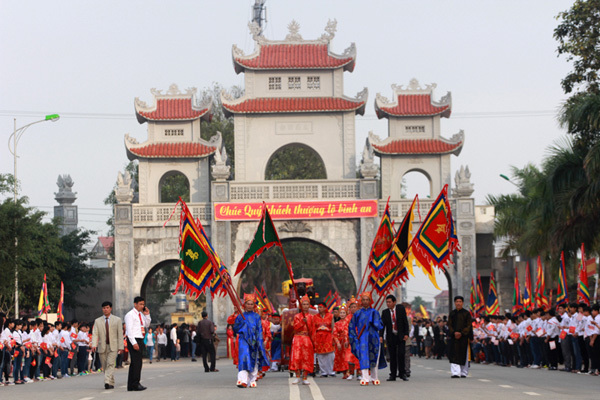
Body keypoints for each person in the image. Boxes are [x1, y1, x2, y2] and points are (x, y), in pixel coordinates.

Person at [349, 292, 386, 386]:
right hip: (362, 339)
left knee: (374, 358)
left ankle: (374, 377)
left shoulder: (375, 312)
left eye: (367, 300)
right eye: (363, 300)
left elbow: (380, 326)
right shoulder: (357, 313)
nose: (365, 301)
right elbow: (351, 326)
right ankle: (365, 378)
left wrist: (373, 321)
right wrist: (354, 337)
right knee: (363, 357)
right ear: (361, 301)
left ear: (370, 301)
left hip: (373, 338)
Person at [233, 294, 269, 388]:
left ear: (254, 305)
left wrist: (259, 341)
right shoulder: (240, 316)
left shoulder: (257, 317)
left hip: (254, 340)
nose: (249, 306)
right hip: (243, 340)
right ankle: (242, 380)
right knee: (244, 358)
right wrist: (242, 324)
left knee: (253, 358)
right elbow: (235, 329)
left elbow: (259, 330)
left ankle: (252, 379)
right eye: (248, 304)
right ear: (244, 305)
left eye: (251, 304)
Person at [91, 301, 124, 389]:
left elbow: (120, 334)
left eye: (107, 308)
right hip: (102, 346)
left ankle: (106, 381)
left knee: (110, 364)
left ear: (110, 308)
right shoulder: (97, 321)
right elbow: (95, 333)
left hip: (113, 346)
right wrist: (94, 344)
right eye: (104, 308)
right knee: (105, 366)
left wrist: (121, 347)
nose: (105, 310)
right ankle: (111, 382)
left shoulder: (117, 320)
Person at [124, 296, 151, 391]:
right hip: (133, 339)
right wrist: (134, 343)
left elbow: (147, 325)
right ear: (135, 304)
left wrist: (147, 315)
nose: (142, 306)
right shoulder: (130, 315)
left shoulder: (141, 315)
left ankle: (131, 384)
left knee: (136, 363)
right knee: (137, 363)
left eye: (143, 304)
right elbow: (129, 330)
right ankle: (135, 383)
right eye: (140, 304)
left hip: (140, 339)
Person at [380, 294, 409, 381]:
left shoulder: (400, 309)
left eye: (389, 302)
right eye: (387, 302)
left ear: (394, 302)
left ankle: (402, 373)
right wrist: (380, 336)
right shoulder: (385, 312)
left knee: (401, 354)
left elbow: (405, 322)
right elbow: (382, 326)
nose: (388, 304)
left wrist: (406, 334)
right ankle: (392, 375)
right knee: (392, 356)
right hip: (390, 336)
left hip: (400, 336)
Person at [290, 295, 315, 385]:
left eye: (306, 304)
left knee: (306, 358)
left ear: (309, 305)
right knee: (297, 357)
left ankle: (305, 377)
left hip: (307, 338)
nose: (305, 306)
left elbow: (312, 330)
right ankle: (297, 376)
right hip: (297, 338)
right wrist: (302, 322)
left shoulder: (312, 317)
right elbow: (295, 327)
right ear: (301, 306)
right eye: (303, 304)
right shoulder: (297, 316)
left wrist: (313, 341)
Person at [447, 296, 473, 378]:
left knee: (463, 354)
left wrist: (461, 333)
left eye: (460, 301)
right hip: (454, 337)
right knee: (454, 354)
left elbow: (469, 326)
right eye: (457, 301)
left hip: (464, 338)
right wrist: (454, 333)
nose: (458, 303)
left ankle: (464, 372)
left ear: (462, 303)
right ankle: (455, 372)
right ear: (455, 303)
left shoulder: (467, 313)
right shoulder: (452, 313)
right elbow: (449, 325)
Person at [314, 302, 335, 377]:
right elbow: (313, 328)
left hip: (328, 336)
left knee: (330, 354)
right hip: (318, 337)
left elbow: (333, 327)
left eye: (321, 307)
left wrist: (333, 337)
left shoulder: (330, 316)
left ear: (325, 308)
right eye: (318, 307)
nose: (319, 309)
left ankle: (331, 371)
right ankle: (323, 372)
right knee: (320, 355)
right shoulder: (315, 317)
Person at [333, 306, 350, 378]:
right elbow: (334, 334)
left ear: (346, 313)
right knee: (340, 358)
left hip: (347, 342)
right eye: (341, 313)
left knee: (347, 357)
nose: (342, 314)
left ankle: (349, 372)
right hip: (340, 342)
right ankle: (344, 372)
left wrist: (348, 341)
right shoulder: (336, 323)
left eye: (344, 313)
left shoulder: (349, 322)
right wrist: (337, 343)